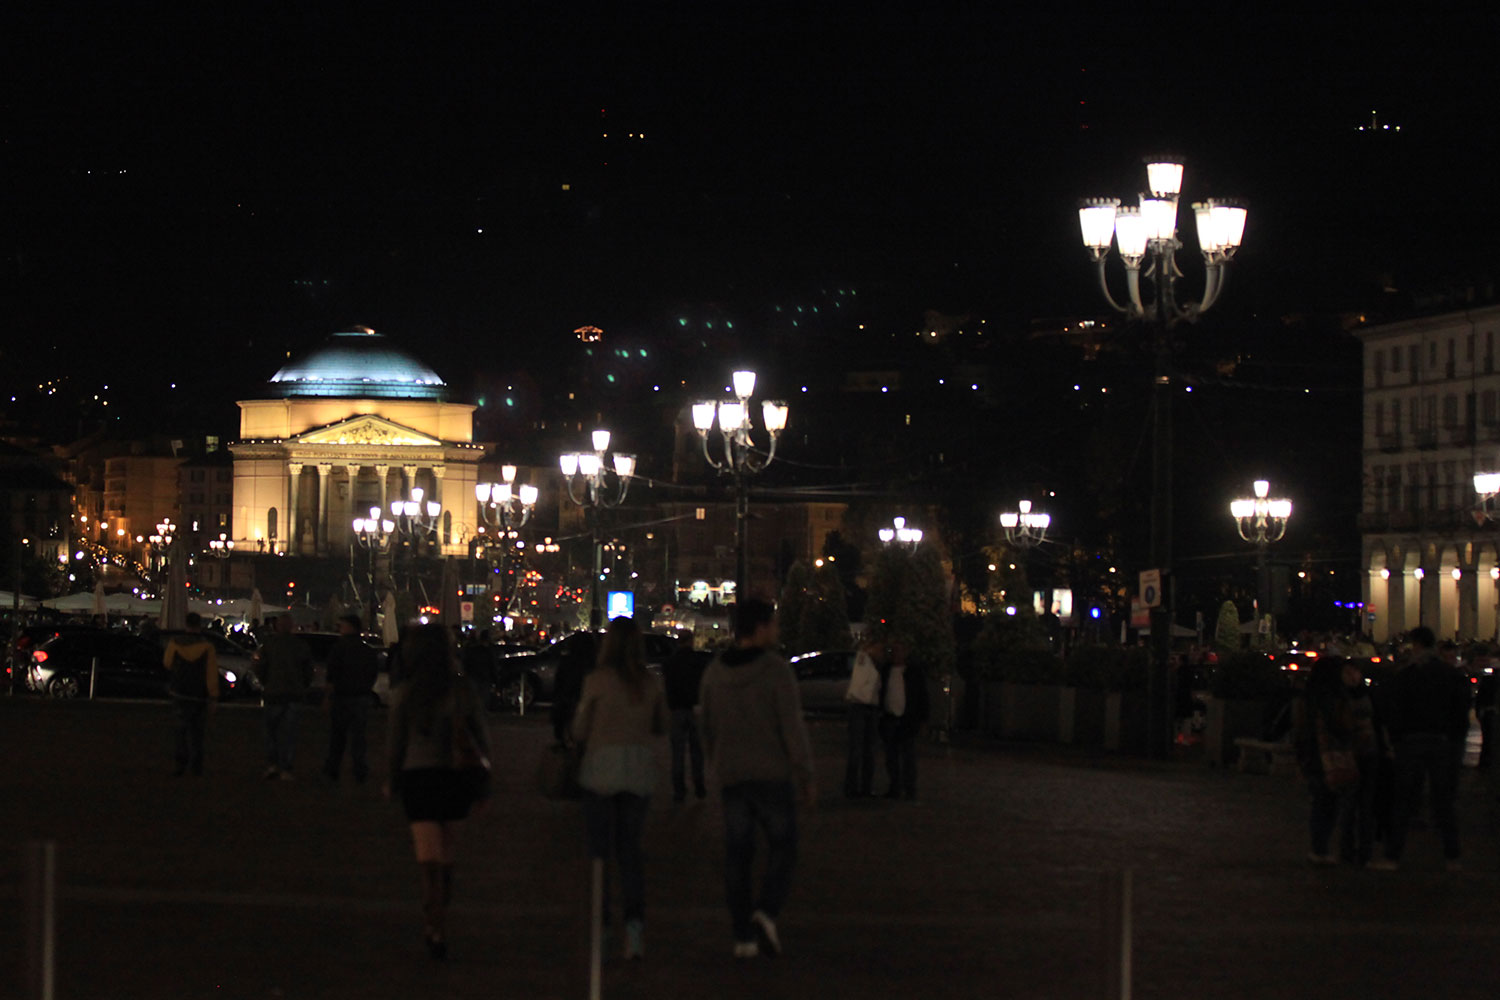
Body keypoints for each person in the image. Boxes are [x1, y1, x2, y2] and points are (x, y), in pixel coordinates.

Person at [700, 599, 815, 959]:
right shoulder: (775, 671)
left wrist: (714, 762)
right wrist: (805, 772)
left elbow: (705, 725)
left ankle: (742, 936)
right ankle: (765, 911)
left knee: (737, 855)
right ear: (761, 627)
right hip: (771, 774)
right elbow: (791, 727)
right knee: (784, 846)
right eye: (774, 624)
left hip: (733, 775)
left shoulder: (715, 673)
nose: (777, 630)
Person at [385, 624, 492, 960]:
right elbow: (483, 739)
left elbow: (395, 744)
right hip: (456, 778)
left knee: (426, 859)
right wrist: (484, 780)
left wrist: (391, 779)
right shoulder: (463, 690)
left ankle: (434, 925)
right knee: (447, 856)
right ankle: (440, 909)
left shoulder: (405, 692)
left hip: (418, 778)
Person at [571, 616, 668, 960]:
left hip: (601, 769)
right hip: (638, 769)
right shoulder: (650, 682)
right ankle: (635, 928)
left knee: (600, 854)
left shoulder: (597, 681)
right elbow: (661, 725)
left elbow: (581, 729)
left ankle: (603, 926)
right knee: (630, 853)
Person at [1369, 626, 1472, 871]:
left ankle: (1393, 856)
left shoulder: (1407, 676)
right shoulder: (1450, 675)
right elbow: (1461, 710)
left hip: (1411, 740)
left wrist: (1394, 739)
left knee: (1404, 800)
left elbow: (1391, 709)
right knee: (1443, 801)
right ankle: (1452, 856)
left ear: (1415, 645)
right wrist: (1455, 737)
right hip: (1441, 740)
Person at [1292, 656, 1358, 865]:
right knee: (1331, 803)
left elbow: (1300, 729)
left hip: (1313, 754)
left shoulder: (1308, 697)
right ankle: (1324, 848)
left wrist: (1301, 756)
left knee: (1320, 802)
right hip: (1332, 754)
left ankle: (1318, 847)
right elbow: (1344, 727)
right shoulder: (1338, 697)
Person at [323, 613, 379, 782]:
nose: (340, 629)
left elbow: (332, 673)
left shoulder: (339, 648)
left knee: (338, 736)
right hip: (361, 696)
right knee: (358, 737)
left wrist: (328, 696)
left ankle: (333, 768)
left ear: (350, 627)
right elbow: (372, 673)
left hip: (342, 696)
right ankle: (359, 769)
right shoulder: (367, 650)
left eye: (342, 625)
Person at [258, 614, 314, 780]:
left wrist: (266, 682)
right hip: (293, 694)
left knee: (271, 733)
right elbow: (308, 670)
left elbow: (260, 666)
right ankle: (286, 767)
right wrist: (302, 685)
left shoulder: (269, 644)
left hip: (274, 693)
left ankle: (273, 764)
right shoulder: (300, 646)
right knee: (289, 734)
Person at [164, 612, 219, 777]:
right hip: (199, 694)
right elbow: (211, 673)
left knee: (180, 731)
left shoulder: (175, 643)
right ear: (199, 625)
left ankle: (180, 764)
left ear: (186, 624)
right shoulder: (207, 646)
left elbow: (167, 663)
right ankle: (196, 766)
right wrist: (213, 696)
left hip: (180, 692)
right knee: (197, 732)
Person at [879, 641, 928, 800]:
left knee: (908, 756)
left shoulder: (913, 672)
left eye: (898, 651)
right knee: (891, 756)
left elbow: (922, 696)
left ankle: (909, 789)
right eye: (893, 651)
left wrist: (922, 719)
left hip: (907, 719)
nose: (895, 654)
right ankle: (895, 787)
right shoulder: (886, 670)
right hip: (890, 717)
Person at [662, 643, 709, 802]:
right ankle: (699, 786)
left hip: (676, 710)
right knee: (697, 751)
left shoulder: (670, 663)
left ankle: (679, 789)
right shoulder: (699, 662)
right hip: (695, 708)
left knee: (677, 753)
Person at [843, 639, 883, 798]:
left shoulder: (874, 664)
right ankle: (852, 787)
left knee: (867, 750)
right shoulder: (863, 660)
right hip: (860, 706)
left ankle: (864, 787)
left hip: (868, 707)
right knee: (858, 749)